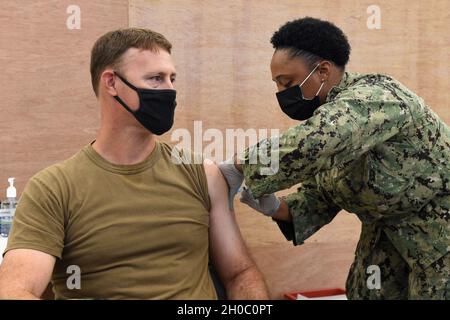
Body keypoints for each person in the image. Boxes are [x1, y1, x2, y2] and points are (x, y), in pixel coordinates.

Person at [0, 28, 268, 300]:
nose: (170, 91)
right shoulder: (53, 188)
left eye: (172, 79)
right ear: (112, 83)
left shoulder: (201, 173)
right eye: (155, 79)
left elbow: (240, 273)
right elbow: (14, 290)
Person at [219, 17, 450, 299]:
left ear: (323, 70)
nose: (281, 93)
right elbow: (321, 196)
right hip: (388, 238)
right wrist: (274, 207)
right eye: (277, 84)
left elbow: (319, 140)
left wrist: (241, 165)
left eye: (287, 82)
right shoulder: (332, 118)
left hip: (441, 238)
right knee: (366, 293)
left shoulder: (376, 97)